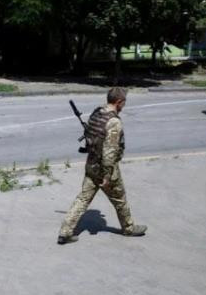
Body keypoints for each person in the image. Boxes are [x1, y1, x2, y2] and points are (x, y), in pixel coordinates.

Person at [57, 87, 147, 244]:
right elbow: (109, 152)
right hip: (105, 170)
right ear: (119, 102)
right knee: (119, 199)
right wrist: (107, 176)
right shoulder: (113, 122)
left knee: (83, 199)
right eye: (124, 102)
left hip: (91, 165)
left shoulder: (97, 113)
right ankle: (129, 228)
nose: (124, 105)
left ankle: (65, 232)